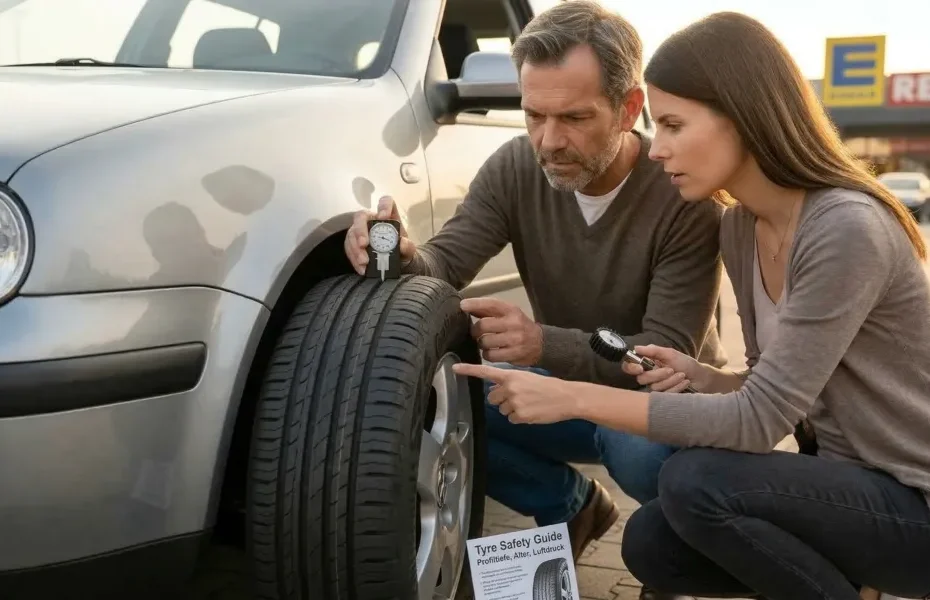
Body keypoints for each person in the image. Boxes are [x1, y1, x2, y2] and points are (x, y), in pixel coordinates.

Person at [452, 10, 930, 600]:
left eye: (674, 125)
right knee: (651, 544)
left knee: (694, 481)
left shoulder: (845, 228)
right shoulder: (740, 230)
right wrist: (706, 376)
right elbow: (766, 385)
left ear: (743, 118)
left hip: (914, 499)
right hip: (841, 482)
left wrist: (567, 392)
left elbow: (758, 423)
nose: (658, 149)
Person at [344, 2, 724, 599]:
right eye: (534, 115)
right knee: (441, 403)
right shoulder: (515, 167)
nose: (549, 141)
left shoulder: (684, 196)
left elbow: (662, 356)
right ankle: (570, 507)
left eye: (574, 117)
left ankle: (671, 560)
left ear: (629, 108)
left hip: (653, 402)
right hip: (562, 393)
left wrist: (543, 344)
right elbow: (446, 265)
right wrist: (396, 251)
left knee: (649, 461)